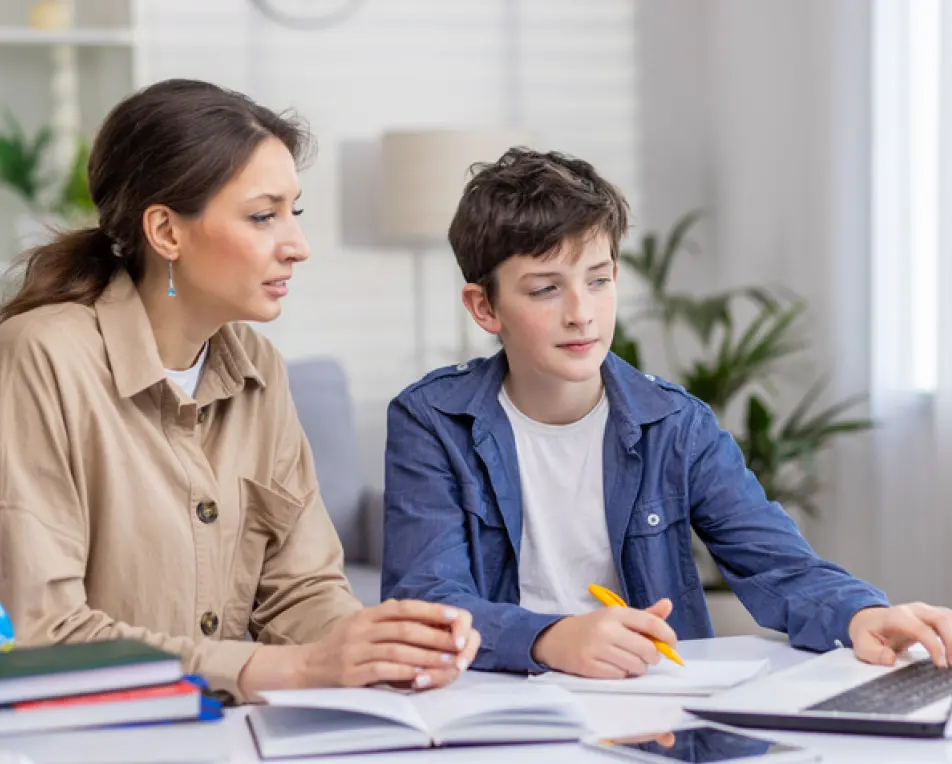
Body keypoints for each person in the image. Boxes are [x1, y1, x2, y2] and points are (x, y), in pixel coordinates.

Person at [382, 147, 952, 678]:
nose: (582, 314)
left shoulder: (678, 425)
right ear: (485, 307)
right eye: (545, 290)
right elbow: (429, 600)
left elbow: (780, 564)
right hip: (500, 704)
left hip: (651, 701)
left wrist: (861, 615)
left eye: (598, 281)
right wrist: (551, 637)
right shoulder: (431, 421)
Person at [0, 79, 478, 704]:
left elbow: (300, 585)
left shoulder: (258, 367)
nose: (297, 246)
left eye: (294, 213)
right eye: (263, 216)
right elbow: (46, 632)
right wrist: (283, 671)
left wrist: (376, 647)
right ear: (166, 232)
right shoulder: (40, 356)